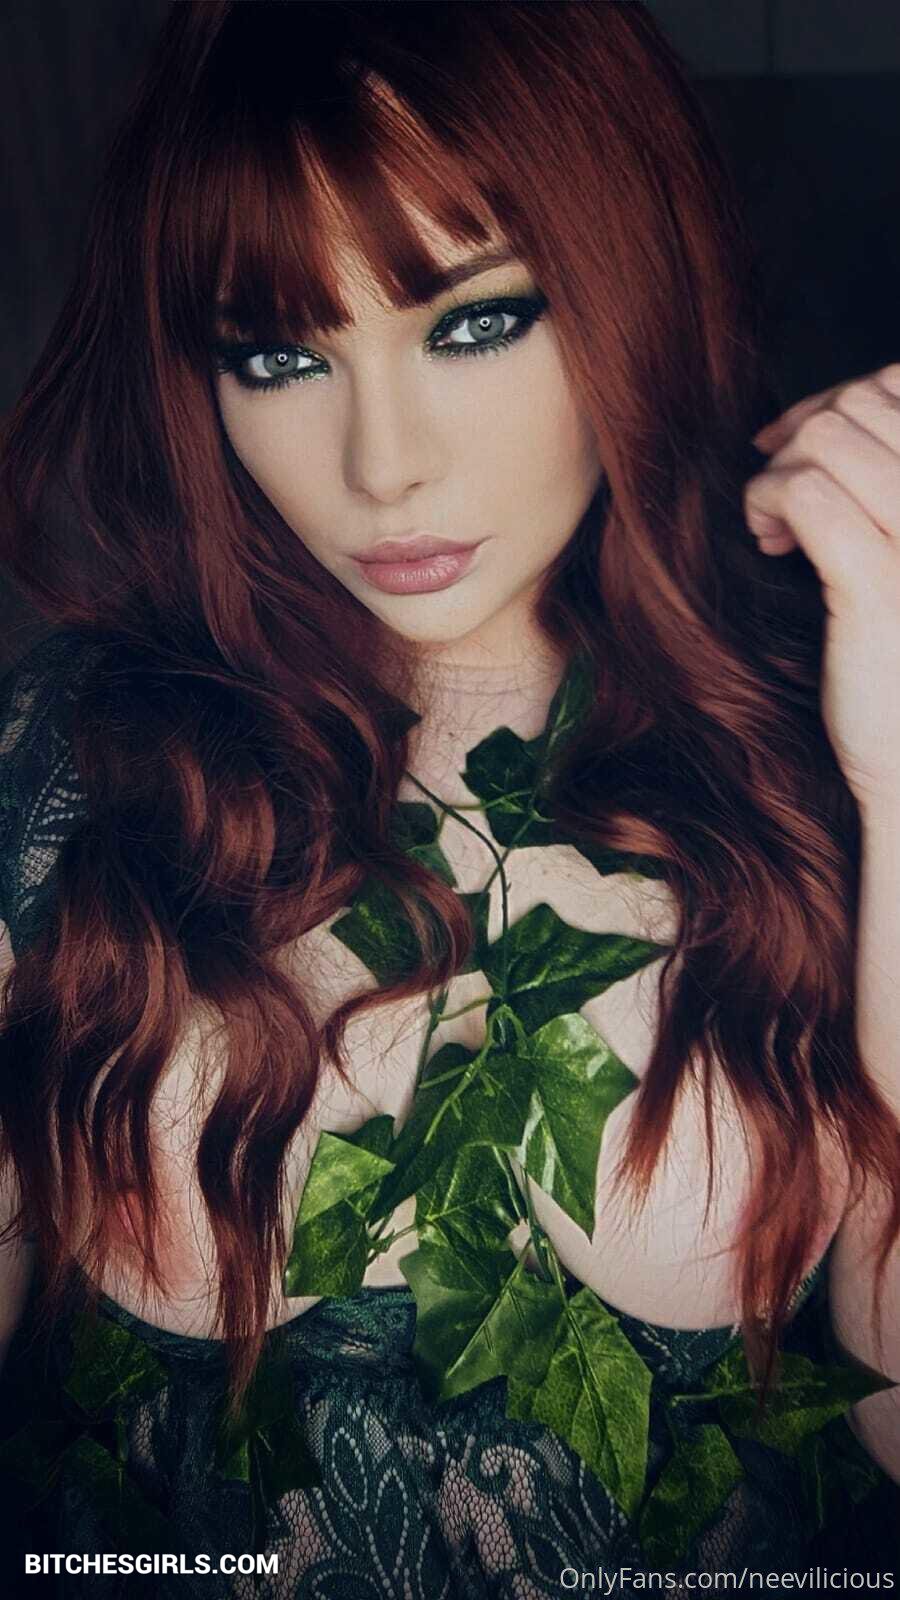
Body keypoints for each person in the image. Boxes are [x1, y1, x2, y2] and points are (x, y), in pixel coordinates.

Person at [0, 2, 898, 1594]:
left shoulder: (822, 756)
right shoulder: (73, 763)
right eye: (279, 356)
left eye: (475, 323)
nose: (382, 465)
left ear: (631, 282)